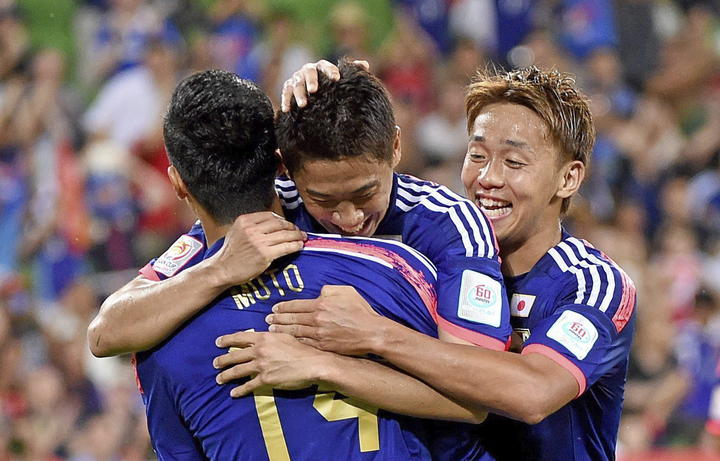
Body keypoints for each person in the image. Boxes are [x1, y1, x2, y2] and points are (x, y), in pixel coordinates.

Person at [241, 63, 637, 461]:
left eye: (514, 163)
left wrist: (372, 335)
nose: (488, 178)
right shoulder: (441, 244)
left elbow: (532, 393)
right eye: (477, 155)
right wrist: (323, 96)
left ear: (568, 179)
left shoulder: (593, 285)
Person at [126, 69, 485, 460]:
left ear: (178, 183)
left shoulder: (160, 340)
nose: (349, 219)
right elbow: (470, 403)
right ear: (282, 166)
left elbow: (480, 388)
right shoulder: (393, 271)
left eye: (364, 194)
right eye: (325, 201)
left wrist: (323, 363)